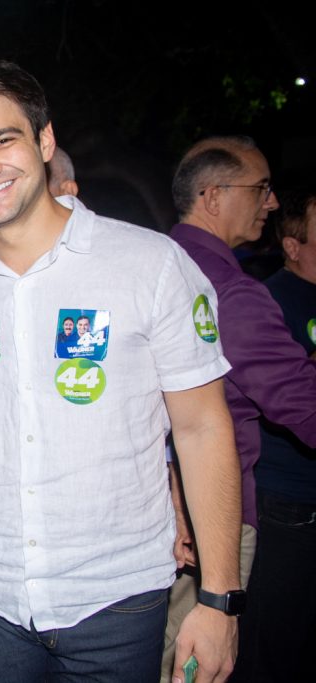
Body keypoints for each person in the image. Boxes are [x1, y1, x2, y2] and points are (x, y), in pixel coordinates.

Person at [0, 58, 243, 683]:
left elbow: (202, 429)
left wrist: (219, 599)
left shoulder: (151, 264)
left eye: (2, 140)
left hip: (117, 600)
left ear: (44, 141)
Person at [166, 137, 316, 681]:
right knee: (197, 666)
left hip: (150, 514)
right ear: (213, 196)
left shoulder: (151, 266)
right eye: (261, 188)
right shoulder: (230, 291)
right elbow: (302, 404)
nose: (271, 203)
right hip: (215, 519)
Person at [235, 183, 316, 680]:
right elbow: (279, 396)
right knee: (272, 639)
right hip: (285, 502)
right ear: (293, 245)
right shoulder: (268, 300)